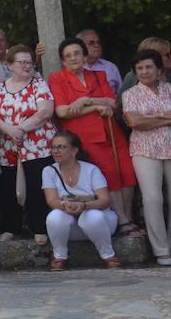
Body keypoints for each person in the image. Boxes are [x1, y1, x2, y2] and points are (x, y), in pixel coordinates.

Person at [48, 37, 136, 234]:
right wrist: (96, 106)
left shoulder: (98, 75)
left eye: (77, 53)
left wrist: (86, 100)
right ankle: (122, 221)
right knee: (110, 175)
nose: (73, 58)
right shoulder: (58, 78)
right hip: (86, 135)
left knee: (127, 173)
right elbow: (62, 111)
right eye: (68, 56)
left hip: (111, 131)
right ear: (63, 61)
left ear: (84, 55)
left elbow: (112, 103)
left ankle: (129, 217)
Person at [0, 45, 58, 243]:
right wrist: (10, 130)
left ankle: (40, 228)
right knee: (8, 187)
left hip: (37, 145)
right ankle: (11, 228)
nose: (27, 66)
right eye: (22, 62)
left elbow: (45, 111)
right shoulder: (0, 88)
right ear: (10, 65)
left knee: (37, 186)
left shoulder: (38, 84)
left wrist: (20, 129)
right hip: (7, 146)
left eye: (29, 62)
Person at [120, 49, 171, 264]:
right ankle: (161, 250)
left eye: (149, 67)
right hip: (144, 150)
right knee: (152, 199)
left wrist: (149, 117)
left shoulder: (170, 89)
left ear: (159, 69)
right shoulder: (129, 94)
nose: (144, 71)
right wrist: (165, 117)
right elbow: (135, 122)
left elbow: (143, 120)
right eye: (139, 68)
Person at [43, 130, 120, 269]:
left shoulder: (91, 170)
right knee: (54, 216)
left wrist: (84, 206)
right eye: (53, 147)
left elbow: (105, 200)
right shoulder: (48, 171)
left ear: (74, 151)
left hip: (101, 224)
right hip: (70, 228)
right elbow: (51, 200)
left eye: (61, 147)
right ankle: (59, 256)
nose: (56, 151)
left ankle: (108, 255)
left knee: (92, 216)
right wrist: (66, 205)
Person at [77, 29, 123, 96]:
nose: (96, 45)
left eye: (98, 42)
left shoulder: (111, 67)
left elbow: (121, 95)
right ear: (80, 46)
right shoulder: (75, 67)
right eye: (91, 43)